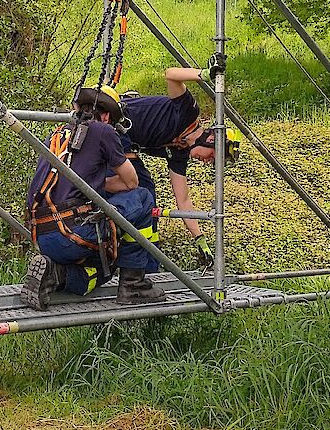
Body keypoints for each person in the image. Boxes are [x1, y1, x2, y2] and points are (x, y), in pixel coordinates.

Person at [22, 84, 162, 310]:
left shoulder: (57, 135)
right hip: (73, 232)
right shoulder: (103, 130)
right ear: (106, 115)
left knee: (101, 273)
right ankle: (134, 283)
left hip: (43, 236)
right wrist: (99, 184)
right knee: (142, 197)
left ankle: (56, 274)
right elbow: (131, 182)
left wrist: (92, 183)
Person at [119, 67, 241, 270]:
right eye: (212, 156)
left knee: (146, 198)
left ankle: (148, 266)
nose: (207, 162)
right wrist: (204, 74)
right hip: (114, 124)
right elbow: (170, 75)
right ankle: (141, 269)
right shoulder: (188, 113)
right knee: (143, 190)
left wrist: (200, 240)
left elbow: (183, 200)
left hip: (123, 143)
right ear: (210, 139)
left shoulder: (179, 153)